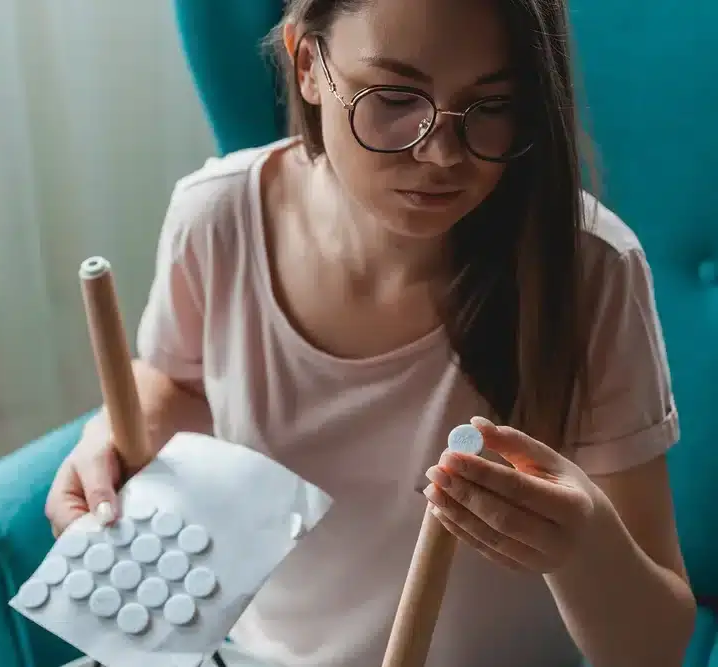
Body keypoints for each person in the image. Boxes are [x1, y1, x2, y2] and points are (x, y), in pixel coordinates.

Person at [46, 0, 696, 665]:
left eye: (493, 106)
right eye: (393, 97)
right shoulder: (216, 218)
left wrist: (581, 545)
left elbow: (655, 645)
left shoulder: (592, 271)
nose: (441, 152)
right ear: (306, 64)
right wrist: (111, 433)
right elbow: (180, 383)